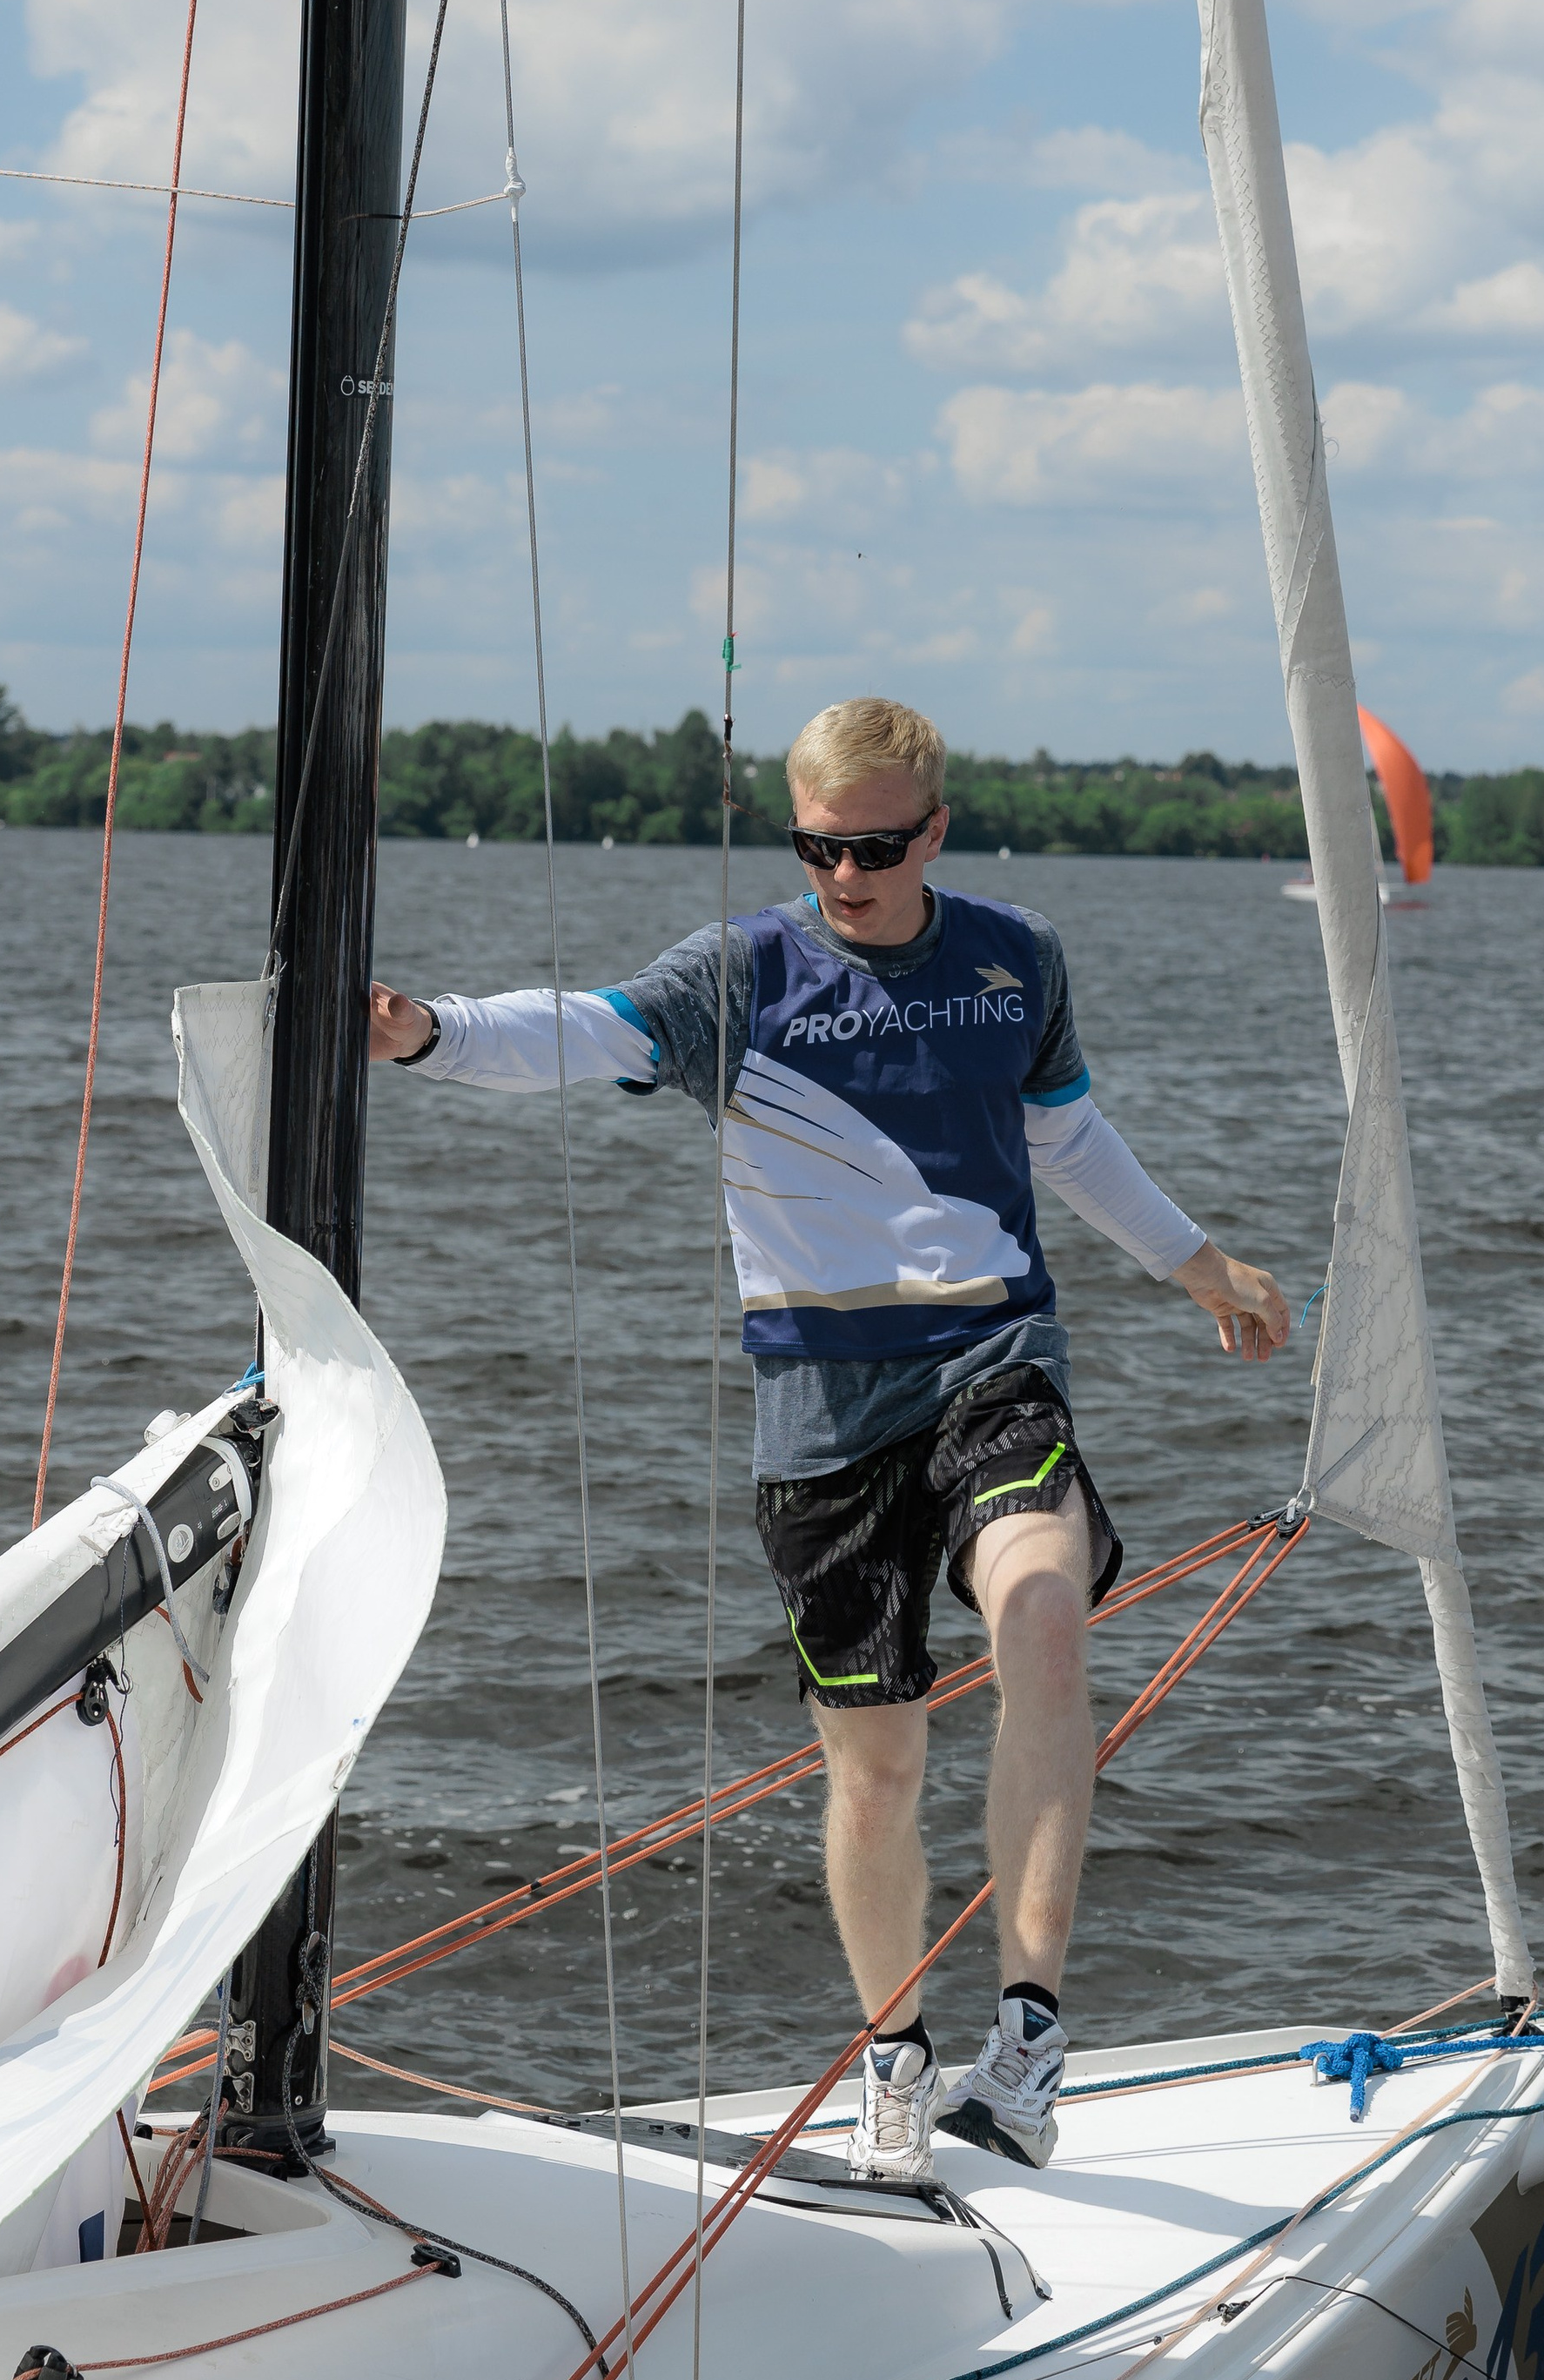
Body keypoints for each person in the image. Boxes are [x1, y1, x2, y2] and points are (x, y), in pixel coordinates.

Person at [368, 696, 1289, 2182]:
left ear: (933, 828)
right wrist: (425, 1035)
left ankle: (1033, 2034)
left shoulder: (1015, 958)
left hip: (992, 1354)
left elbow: (1063, 1136)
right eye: (815, 845)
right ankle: (894, 2055)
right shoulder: (745, 973)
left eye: (871, 846)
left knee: (1045, 1611)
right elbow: (584, 1033)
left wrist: (1200, 1265)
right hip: (820, 1401)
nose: (843, 873)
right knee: (875, 1767)